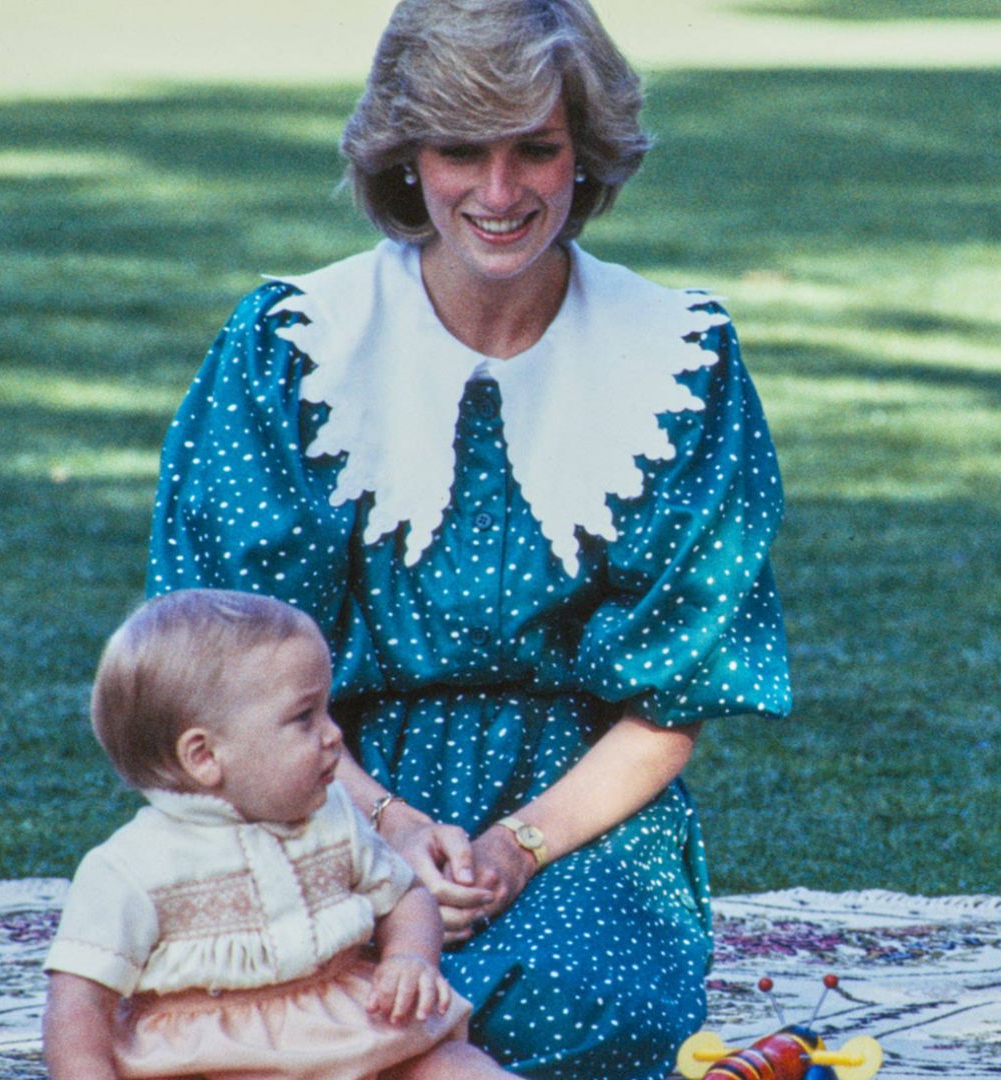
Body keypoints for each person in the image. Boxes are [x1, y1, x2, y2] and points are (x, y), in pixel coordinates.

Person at [146, 2, 791, 1076]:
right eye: (460, 150)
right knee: (258, 993)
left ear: (586, 153)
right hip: (310, 783)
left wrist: (517, 848)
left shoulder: (681, 361)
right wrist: (387, 828)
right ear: (406, 156)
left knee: (581, 1009)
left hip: (577, 807)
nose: (499, 193)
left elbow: (675, 697)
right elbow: (221, 666)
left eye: (535, 148)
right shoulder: (290, 346)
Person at [41, 589, 515, 1080]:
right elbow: (78, 1006)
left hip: (360, 1033)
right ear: (204, 757)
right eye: (305, 716)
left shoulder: (334, 815)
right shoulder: (130, 869)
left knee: (454, 1066)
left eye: (328, 710)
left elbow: (406, 895)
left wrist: (410, 957)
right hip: (219, 1061)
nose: (334, 735)